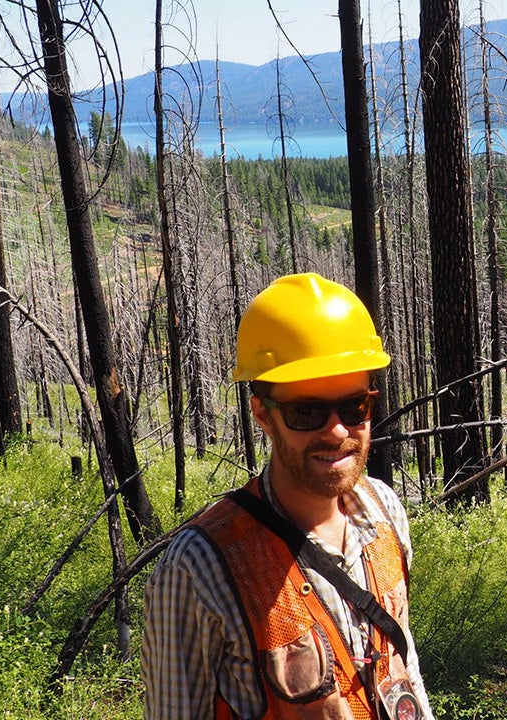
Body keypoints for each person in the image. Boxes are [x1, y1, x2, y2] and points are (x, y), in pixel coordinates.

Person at [143, 272, 434, 720]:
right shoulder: (200, 565)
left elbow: (405, 667)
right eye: (306, 412)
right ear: (262, 411)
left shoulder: (385, 512)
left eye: (356, 406)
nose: (337, 431)